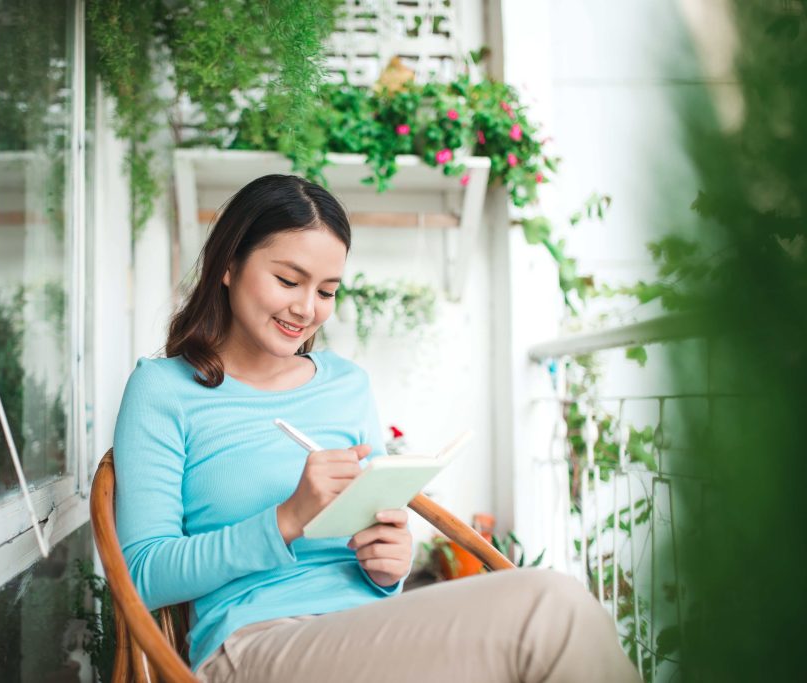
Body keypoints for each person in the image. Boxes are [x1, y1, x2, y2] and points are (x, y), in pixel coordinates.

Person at [113, 174, 640, 682]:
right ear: (228, 265)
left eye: (326, 290)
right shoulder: (164, 390)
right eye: (288, 280)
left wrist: (388, 566)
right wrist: (287, 518)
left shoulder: (347, 383)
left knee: (553, 612)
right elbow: (142, 574)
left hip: (367, 630)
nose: (306, 308)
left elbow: (370, 542)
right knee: (551, 608)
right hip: (254, 644)